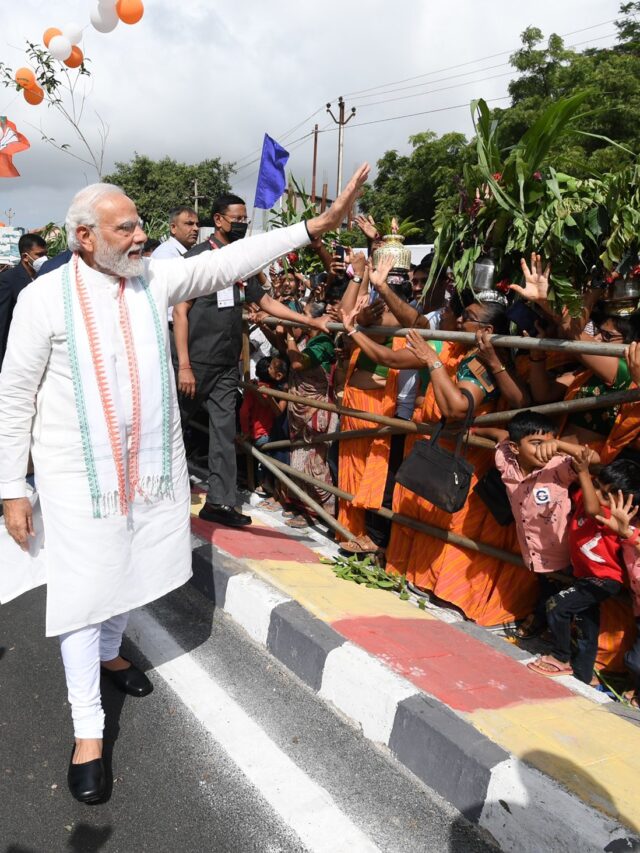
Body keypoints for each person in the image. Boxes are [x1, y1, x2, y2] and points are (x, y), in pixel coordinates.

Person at [0, 164, 368, 803]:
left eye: (141, 224)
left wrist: (315, 227)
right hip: (76, 481)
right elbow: (12, 397)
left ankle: (116, 654)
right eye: (128, 228)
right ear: (85, 237)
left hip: (146, 476)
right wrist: (9, 486)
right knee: (83, 595)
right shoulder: (41, 298)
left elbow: (230, 263)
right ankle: (88, 731)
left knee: (132, 572)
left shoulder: (154, 280)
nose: (142, 236)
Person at [173, 194, 331, 528]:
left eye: (246, 218)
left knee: (223, 431)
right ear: (218, 220)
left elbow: (267, 302)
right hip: (196, 363)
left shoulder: (242, 263)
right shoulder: (198, 259)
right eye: (238, 218)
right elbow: (180, 311)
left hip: (226, 365)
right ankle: (151, 491)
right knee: (172, 427)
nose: (243, 224)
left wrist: (309, 322)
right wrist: (184, 365)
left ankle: (220, 501)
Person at [527, 458, 640, 683]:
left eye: (607, 495)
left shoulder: (608, 515)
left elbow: (592, 508)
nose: (598, 495)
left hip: (603, 579)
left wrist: (585, 474)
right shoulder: (581, 497)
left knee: (556, 606)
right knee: (586, 627)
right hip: (585, 577)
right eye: (597, 486)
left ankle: (560, 658)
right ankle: (582, 674)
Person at [492, 411, 598, 637]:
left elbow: (594, 458)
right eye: (536, 443)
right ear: (515, 448)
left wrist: (559, 444)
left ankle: (558, 633)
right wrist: (475, 429)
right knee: (546, 587)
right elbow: (501, 436)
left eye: (548, 443)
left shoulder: (557, 467)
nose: (543, 450)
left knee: (563, 593)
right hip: (533, 552)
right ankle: (544, 622)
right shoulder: (507, 463)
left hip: (563, 553)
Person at [0, 233, 48, 369]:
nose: (44, 259)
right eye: (39, 255)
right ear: (25, 257)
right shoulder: (8, 279)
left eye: (46, 254)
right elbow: (2, 322)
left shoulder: (44, 277)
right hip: (16, 352)